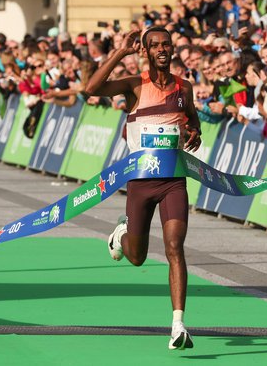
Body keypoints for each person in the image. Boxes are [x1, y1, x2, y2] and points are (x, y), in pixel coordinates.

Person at [84, 27, 201, 350]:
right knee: (136, 257)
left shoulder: (184, 87)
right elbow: (89, 88)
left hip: (173, 182)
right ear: (146, 52)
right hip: (140, 183)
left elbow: (192, 119)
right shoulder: (135, 85)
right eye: (155, 46)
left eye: (166, 44)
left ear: (172, 49)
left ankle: (178, 324)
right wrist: (121, 52)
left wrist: (195, 131)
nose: (161, 49)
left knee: (174, 247)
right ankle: (121, 234)